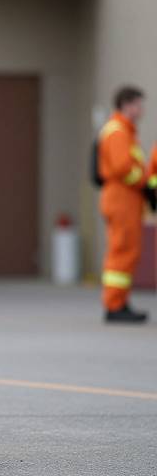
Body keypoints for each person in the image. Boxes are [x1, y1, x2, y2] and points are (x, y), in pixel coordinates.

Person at [98, 86, 157, 323]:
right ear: (127, 104)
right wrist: (144, 183)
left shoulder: (123, 131)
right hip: (122, 199)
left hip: (125, 200)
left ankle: (119, 301)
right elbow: (124, 168)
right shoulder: (118, 131)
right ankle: (115, 305)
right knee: (122, 251)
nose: (141, 110)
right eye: (139, 104)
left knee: (125, 251)